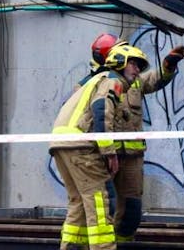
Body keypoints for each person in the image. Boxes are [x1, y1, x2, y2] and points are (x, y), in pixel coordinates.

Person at [50, 42, 151, 250]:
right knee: (101, 201)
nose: (137, 69)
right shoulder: (112, 81)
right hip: (82, 147)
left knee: (78, 201)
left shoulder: (95, 80)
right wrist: (109, 152)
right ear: (120, 62)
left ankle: (72, 246)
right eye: (134, 64)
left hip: (63, 144)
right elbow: (100, 110)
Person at [111, 43, 184, 242]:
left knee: (131, 211)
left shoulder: (136, 82)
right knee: (104, 208)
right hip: (105, 157)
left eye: (138, 65)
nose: (137, 69)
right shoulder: (99, 83)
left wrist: (169, 64)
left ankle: (123, 244)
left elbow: (155, 79)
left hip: (132, 159)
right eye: (133, 64)